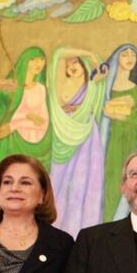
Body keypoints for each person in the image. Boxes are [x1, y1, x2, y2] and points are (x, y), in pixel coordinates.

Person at [0, 47, 51, 218]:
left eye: (41, 60)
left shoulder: (41, 90)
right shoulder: (9, 87)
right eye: (33, 59)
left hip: (32, 143)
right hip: (8, 143)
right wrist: (26, 118)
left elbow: (42, 122)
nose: (38, 64)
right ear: (24, 62)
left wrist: (16, 122)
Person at [46, 48, 106, 235]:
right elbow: (57, 54)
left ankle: (81, 229)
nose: (71, 66)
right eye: (69, 63)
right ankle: (54, 227)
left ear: (84, 66)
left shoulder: (92, 85)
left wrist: (92, 84)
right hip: (62, 136)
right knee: (58, 181)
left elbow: (91, 107)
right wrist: (88, 53)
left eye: (76, 62)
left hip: (86, 137)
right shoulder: (60, 83)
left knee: (84, 183)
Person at [100, 44, 137, 222]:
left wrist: (114, 114)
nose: (130, 59)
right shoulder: (103, 88)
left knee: (124, 185)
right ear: (117, 59)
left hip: (129, 144)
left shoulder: (136, 90)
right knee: (106, 186)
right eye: (125, 55)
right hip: (106, 145)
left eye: (133, 56)